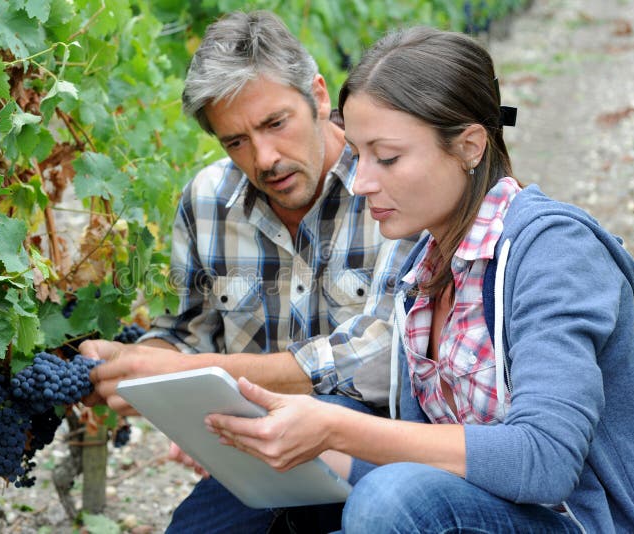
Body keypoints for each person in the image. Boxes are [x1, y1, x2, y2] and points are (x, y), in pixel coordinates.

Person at [205, 26, 634, 533]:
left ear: (469, 146)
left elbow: (546, 460)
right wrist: (283, 442)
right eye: (358, 155)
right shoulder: (422, 270)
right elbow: (435, 463)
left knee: (393, 498)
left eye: (389, 157)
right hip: (487, 514)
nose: (361, 184)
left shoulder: (552, 252)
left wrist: (337, 426)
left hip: (589, 523)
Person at [81, 10, 415, 533]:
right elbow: (182, 336)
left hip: (379, 449)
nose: (264, 158)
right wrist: (132, 368)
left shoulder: (391, 188)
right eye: (235, 141)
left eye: (275, 124)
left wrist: (192, 375)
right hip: (257, 453)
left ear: (320, 97)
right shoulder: (206, 201)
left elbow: (377, 355)